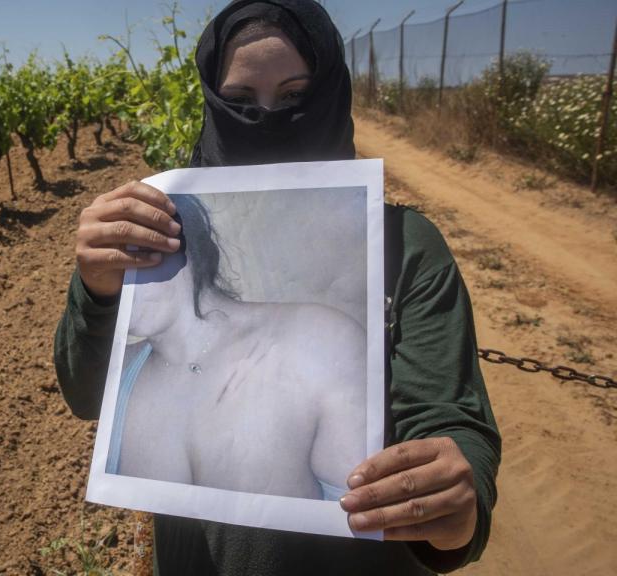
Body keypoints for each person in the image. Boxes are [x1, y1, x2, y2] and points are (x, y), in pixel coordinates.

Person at [53, 0, 501, 574]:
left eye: (293, 98)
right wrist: (97, 287)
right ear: (213, 105)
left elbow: (450, 420)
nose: (266, 119)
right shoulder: (154, 235)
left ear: (331, 94)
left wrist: (456, 495)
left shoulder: (406, 247)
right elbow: (85, 393)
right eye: (239, 103)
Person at [111, 193, 366, 504]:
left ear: (186, 242)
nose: (125, 279)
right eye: (112, 268)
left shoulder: (321, 338)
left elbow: (360, 516)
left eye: (139, 255)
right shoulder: (118, 376)